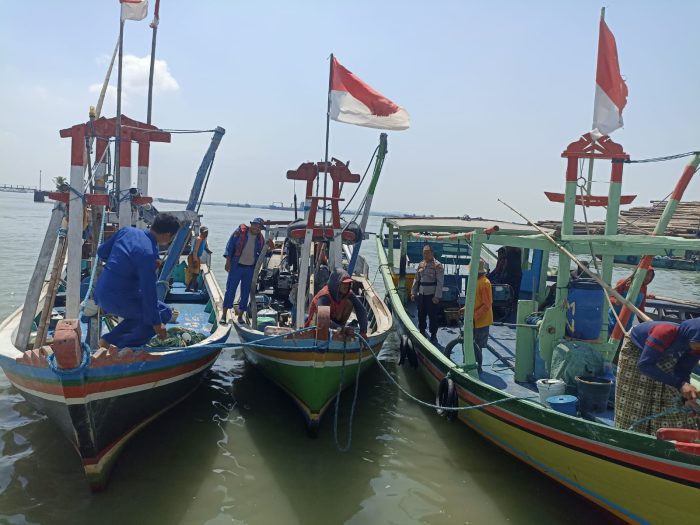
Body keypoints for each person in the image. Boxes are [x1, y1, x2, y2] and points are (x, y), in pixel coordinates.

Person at [94, 213, 180, 348]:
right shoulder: (148, 254)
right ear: (168, 235)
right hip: (116, 299)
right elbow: (148, 292)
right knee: (158, 315)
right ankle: (123, 348)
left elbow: (102, 252)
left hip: (101, 293)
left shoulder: (126, 231)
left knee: (164, 311)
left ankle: (108, 340)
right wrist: (157, 325)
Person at [615, 318, 700, 434]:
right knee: (636, 397)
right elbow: (644, 365)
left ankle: (656, 432)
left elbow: (683, 371)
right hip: (636, 350)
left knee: (667, 392)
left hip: (666, 350)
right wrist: (680, 384)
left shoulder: (695, 347)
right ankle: (628, 433)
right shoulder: (664, 332)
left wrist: (686, 398)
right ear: (693, 335)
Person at [222, 218, 273, 324]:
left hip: (250, 269)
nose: (257, 228)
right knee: (230, 290)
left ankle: (240, 316)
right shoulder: (240, 232)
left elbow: (264, 254)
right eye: (255, 225)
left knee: (246, 293)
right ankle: (224, 315)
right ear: (251, 225)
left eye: (259, 227)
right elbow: (230, 246)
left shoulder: (260, 239)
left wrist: (271, 248)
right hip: (236, 266)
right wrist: (228, 262)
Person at [305, 268, 368, 340]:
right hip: (316, 326)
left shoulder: (348, 293)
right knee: (322, 318)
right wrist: (341, 329)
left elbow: (361, 309)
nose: (346, 286)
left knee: (349, 303)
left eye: (348, 283)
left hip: (334, 321)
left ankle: (340, 329)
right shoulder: (324, 296)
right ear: (336, 284)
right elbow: (323, 320)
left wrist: (363, 331)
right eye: (344, 283)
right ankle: (339, 330)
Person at [460, 260, 493, 372]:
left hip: (481, 321)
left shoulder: (485, 283)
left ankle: (478, 368)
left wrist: (474, 316)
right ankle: (468, 363)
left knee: (478, 345)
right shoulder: (475, 281)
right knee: (469, 342)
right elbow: (474, 300)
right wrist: (465, 309)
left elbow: (486, 304)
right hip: (472, 320)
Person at [411, 244, 444, 343]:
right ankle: (421, 331)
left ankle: (433, 334)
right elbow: (416, 279)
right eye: (424, 253)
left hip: (432, 295)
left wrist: (437, 296)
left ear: (432, 253)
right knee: (421, 314)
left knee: (432, 316)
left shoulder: (437, 265)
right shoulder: (421, 264)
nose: (425, 255)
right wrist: (413, 292)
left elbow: (440, 282)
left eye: (427, 253)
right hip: (422, 294)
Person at [607, 268, 655, 335]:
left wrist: (646, 325)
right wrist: (616, 301)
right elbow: (610, 296)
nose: (648, 277)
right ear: (639, 273)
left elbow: (641, 308)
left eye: (650, 276)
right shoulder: (624, 282)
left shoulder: (644, 288)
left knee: (620, 341)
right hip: (613, 319)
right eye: (646, 274)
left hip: (627, 322)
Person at [185, 226, 209, 292]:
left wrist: (208, 250)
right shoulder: (199, 239)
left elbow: (203, 247)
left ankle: (189, 288)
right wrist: (195, 260)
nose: (206, 233)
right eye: (205, 232)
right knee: (195, 273)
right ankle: (194, 289)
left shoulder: (204, 239)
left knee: (195, 274)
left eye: (207, 232)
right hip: (193, 256)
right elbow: (195, 250)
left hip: (196, 257)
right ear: (201, 232)